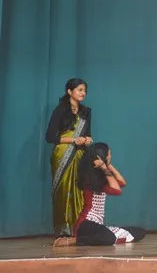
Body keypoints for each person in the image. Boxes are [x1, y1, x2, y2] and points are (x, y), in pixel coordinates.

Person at [53, 143, 146, 247]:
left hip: (97, 226)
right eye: (109, 154)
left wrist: (108, 165)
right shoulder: (91, 181)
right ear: (103, 157)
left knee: (139, 231)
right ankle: (73, 240)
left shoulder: (102, 178)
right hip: (85, 224)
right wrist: (104, 166)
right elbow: (117, 191)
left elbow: (122, 183)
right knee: (109, 238)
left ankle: (110, 237)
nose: (110, 156)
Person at [45, 78, 93, 237]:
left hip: (79, 155)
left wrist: (87, 140)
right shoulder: (60, 110)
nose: (83, 93)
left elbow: (87, 134)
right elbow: (50, 137)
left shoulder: (86, 112)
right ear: (69, 91)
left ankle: (79, 228)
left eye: (84, 90)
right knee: (63, 191)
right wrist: (73, 140)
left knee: (79, 190)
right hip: (62, 155)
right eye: (80, 89)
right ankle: (63, 230)